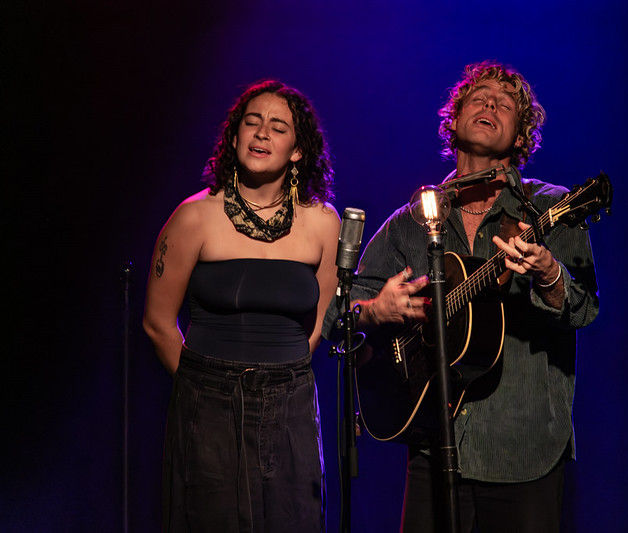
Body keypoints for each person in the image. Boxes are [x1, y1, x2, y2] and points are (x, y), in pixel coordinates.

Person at [323, 61, 599, 532]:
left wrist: (550, 275)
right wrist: (375, 310)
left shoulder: (552, 206)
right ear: (453, 120)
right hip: (433, 441)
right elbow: (335, 317)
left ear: (519, 138)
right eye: (479, 98)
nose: (490, 103)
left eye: (506, 104)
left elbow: (585, 307)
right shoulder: (411, 219)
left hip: (523, 445)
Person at [143, 79, 340, 532]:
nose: (262, 133)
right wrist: (207, 386)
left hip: (288, 400)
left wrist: (276, 379)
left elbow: (321, 319)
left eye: (277, 126)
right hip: (208, 401)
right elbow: (157, 322)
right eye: (252, 123)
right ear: (234, 139)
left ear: (297, 150)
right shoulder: (194, 216)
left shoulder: (324, 222)